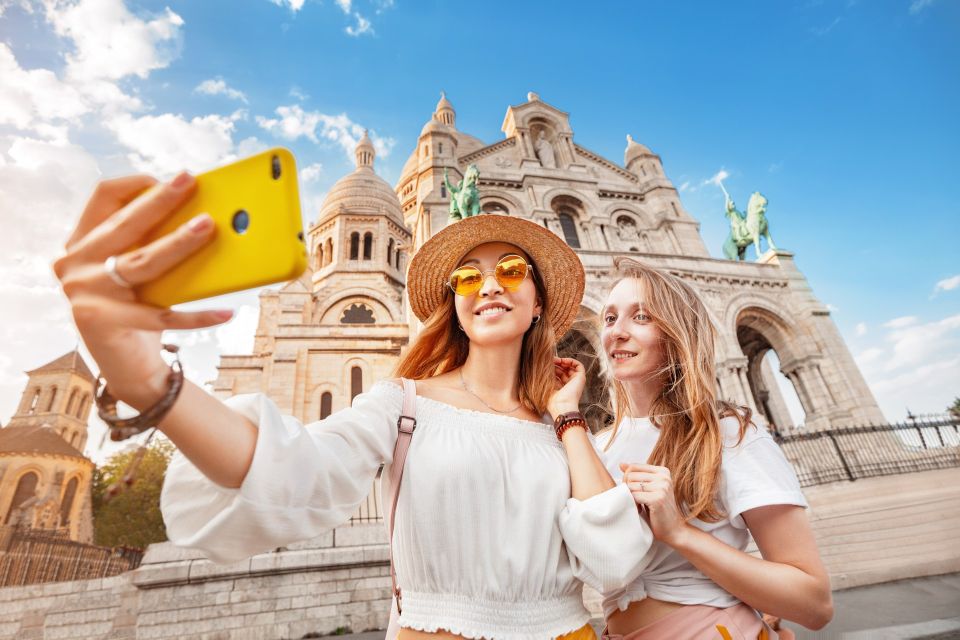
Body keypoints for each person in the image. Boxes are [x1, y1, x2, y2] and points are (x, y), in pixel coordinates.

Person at [52, 172, 653, 639]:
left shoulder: (563, 426)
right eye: (468, 277)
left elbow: (616, 559)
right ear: (454, 303)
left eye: (512, 270)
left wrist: (568, 414)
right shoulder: (403, 403)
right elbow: (292, 468)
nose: (489, 284)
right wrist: (154, 384)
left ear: (540, 302)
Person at [592, 257, 832, 639]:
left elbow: (815, 603)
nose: (616, 332)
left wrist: (681, 534)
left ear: (678, 335)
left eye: (640, 317)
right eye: (609, 318)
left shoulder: (727, 433)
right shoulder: (596, 445)